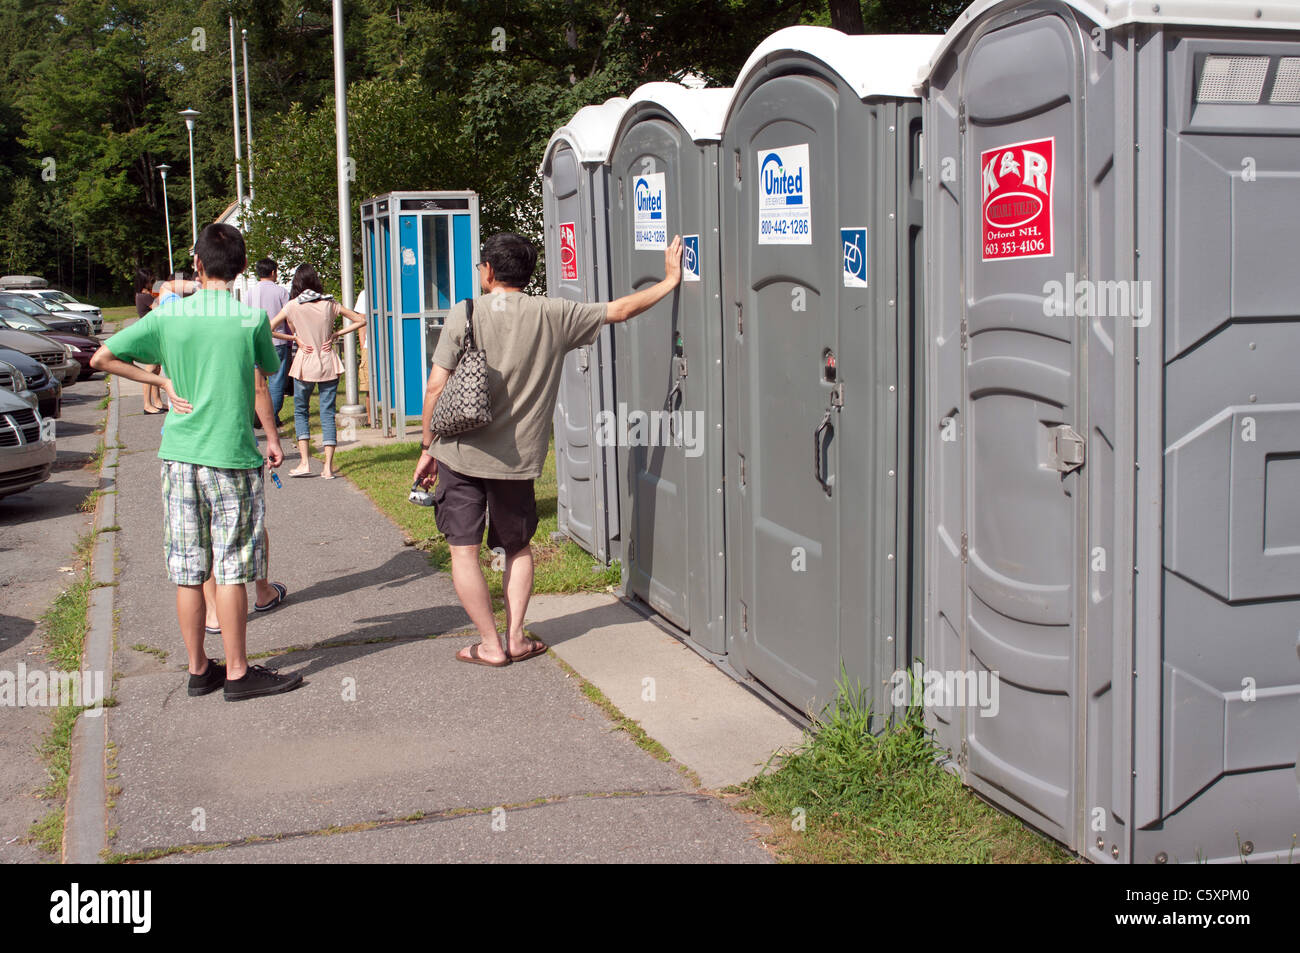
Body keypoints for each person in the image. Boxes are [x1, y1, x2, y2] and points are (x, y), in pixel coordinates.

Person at [412, 232, 683, 667]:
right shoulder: (554, 314)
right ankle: (516, 637)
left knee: (463, 550)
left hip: (459, 454)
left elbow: (435, 386)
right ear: (527, 273)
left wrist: (428, 445)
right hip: (517, 461)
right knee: (516, 548)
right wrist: (670, 281)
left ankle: (489, 645)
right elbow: (620, 310)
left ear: (488, 271)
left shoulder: (465, 313)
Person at [90, 223, 302, 701]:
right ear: (243, 269)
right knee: (230, 568)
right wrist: (270, 436)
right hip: (229, 456)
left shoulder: (168, 316)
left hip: (179, 456)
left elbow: (101, 358)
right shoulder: (247, 320)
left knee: (189, 570)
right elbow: (266, 373)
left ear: (198, 265)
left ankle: (198, 669)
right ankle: (238, 673)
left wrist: (162, 384)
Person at [270, 264, 366, 479]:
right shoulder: (329, 303)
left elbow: (268, 327)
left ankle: (304, 462)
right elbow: (362, 319)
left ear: (297, 283)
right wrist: (336, 334)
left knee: (300, 411)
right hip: (328, 362)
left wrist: (294, 338)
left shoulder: (293, 306)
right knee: (327, 414)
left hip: (304, 363)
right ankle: (327, 468)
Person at [247, 258, 291, 423]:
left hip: (255, 341)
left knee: (257, 380)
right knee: (277, 379)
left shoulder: (250, 292)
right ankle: (272, 416)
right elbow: (289, 317)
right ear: (273, 272)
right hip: (277, 340)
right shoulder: (281, 292)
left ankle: (258, 415)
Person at [134, 268, 165, 415]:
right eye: (150, 280)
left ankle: (157, 401)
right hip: (151, 335)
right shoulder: (145, 296)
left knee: (156, 369)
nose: (151, 282)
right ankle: (147, 404)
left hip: (153, 334)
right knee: (151, 369)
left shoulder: (142, 295)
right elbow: (160, 310)